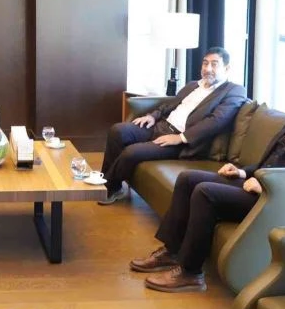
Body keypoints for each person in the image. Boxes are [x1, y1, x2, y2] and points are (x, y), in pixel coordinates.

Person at [131, 65, 285, 293]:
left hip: (282, 201)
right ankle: (172, 251)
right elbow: (269, 163)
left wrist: (269, 185)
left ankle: (190, 273)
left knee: (205, 192)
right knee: (188, 179)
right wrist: (243, 172)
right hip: (260, 186)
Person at [99, 47, 247, 205]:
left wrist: (180, 138)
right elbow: (170, 104)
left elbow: (216, 121)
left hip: (181, 143)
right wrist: (152, 116)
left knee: (131, 152)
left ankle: (109, 188)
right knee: (118, 131)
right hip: (162, 126)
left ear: (226, 68)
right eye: (205, 63)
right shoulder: (193, 85)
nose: (207, 68)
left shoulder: (234, 91)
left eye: (214, 64)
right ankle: (102, 181)